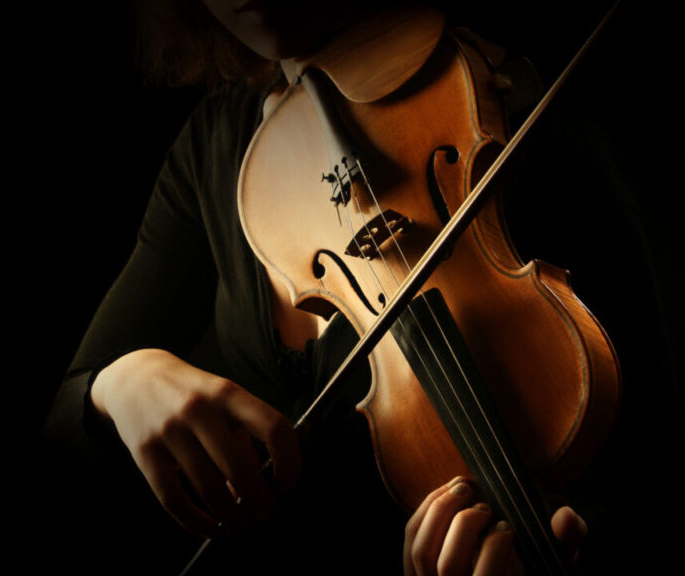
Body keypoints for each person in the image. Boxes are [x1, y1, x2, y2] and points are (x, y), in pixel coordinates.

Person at [40, 1, 680, 574]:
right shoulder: (216, 146)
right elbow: (64, 427)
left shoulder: (488, 91)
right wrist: (121, 381)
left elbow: (654, 462)